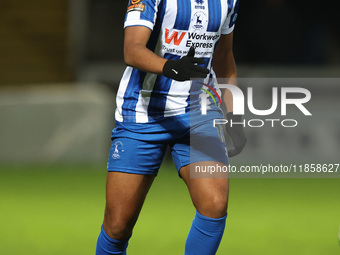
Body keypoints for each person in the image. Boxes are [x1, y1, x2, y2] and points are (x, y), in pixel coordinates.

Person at [95, 0, 246, 254]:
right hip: (142, 113)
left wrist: (234, 114)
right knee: (117, 226)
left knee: (215, 204)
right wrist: (169, 67)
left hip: (198, 112)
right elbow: (132, 49)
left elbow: (223, 57)